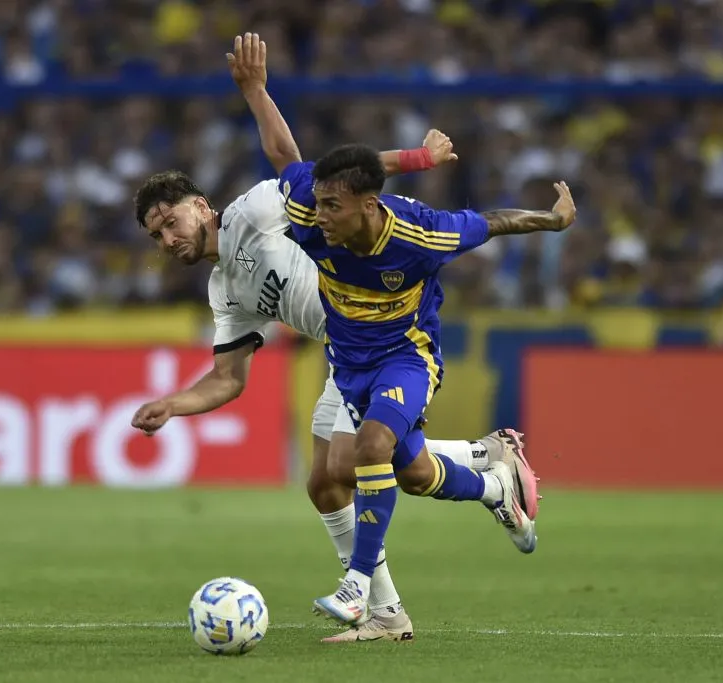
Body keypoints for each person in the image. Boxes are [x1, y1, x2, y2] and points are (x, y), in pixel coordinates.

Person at [130, 33, 528, 643]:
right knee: (344, 482)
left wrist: (415, 159)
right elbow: (229, 379)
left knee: (350, 462)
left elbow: (322, 172)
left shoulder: (251, 212)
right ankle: (485, 481)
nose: (168, 238)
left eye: (171, 221)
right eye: (156, 235)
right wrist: (172, 404)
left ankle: (386, 586)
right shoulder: (224, 288)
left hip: (386, 336)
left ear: (202, 206)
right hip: (347, 357)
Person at [246, 50, 577, 624]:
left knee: (369, 448)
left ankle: (358, 589)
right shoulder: (309, 208)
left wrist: (552, 220)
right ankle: (494, 487)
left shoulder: (420, 234)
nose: (319, 216)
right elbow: (285, 156)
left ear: (369, 207)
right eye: (318, 203)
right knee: (415, 474)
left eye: (333, 207)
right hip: (349, 363)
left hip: (407, 356)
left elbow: (493, 222)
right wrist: (255, 89)